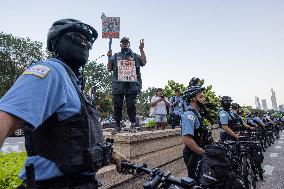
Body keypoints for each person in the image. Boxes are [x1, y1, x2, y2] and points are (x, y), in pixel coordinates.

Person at [0, 18, 124, 189]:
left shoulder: (74, 83)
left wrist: (111, 154)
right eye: (76, 38)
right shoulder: (51, 72)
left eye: (87, 42)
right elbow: (4, 118)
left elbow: (79, 137)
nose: (83, 44)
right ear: (56, 42)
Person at [107, 37, 147, 132]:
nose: (125, 44)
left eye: (126, 42)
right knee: (117, 105)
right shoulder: (116, 56)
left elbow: (144, 62)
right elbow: (109, 68)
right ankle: (117, 125)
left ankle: (133, 124)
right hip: (118, 85)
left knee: (131, 105)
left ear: (129, 44)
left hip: (131, 85)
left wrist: (141, 50)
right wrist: (108, 57)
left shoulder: (134, 56)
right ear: (120, 44)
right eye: (123, 42)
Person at [181, 84, 209, 181]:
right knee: (195, 182)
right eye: (201, 97)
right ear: (193, 99)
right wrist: (203, 152)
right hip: (194, 155)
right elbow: (187, 139)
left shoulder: (197, 114)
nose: (204, 99)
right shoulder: (189, 115)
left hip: (200, 153)